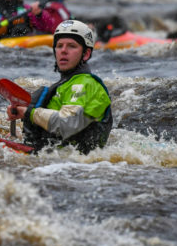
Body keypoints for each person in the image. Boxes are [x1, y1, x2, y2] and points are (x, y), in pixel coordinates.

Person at [6, 20, 112, 154]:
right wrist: (19, 112)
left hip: (77, 165)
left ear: (86, 54)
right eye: (59, 45)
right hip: (52, 157)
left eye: (72, 46)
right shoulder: (63, 85)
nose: (63, 51)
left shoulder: (87, 84)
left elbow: (68, 124)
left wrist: (28, 113)